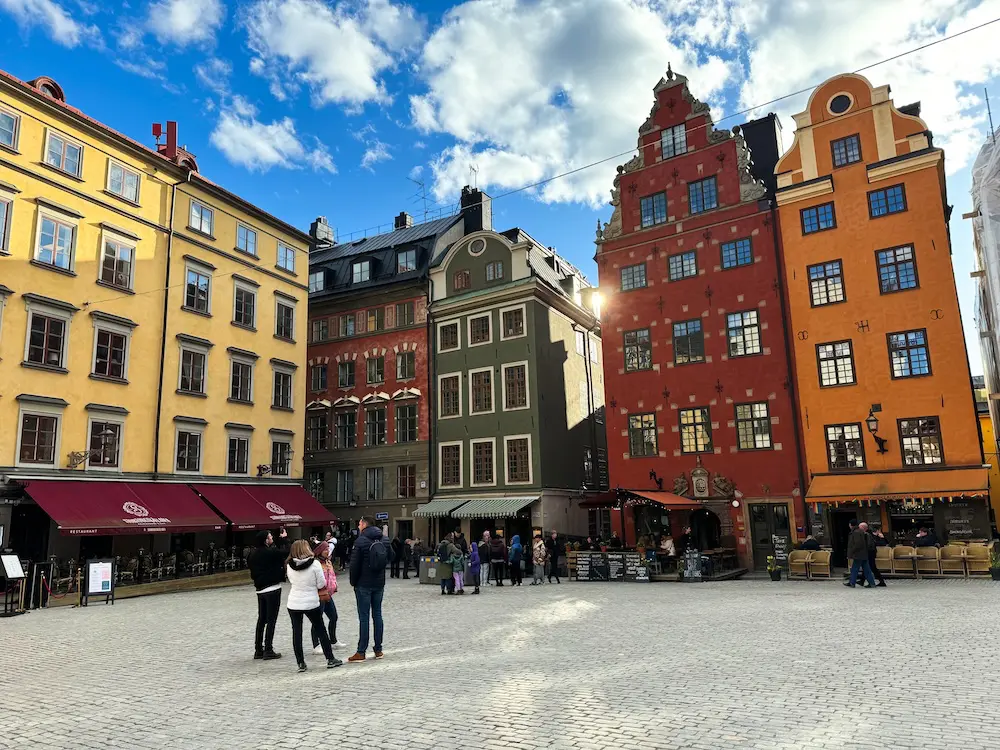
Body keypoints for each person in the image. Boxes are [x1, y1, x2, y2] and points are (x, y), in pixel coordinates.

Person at [285, 539, 342, 672]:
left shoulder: (289, 565)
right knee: (320, 629)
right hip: (311, 601)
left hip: (294, 602)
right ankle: (330, 659)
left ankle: (300, 662)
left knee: (296, 632)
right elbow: (321, 584)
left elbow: (292, 580)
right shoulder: (315, 564)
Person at [348, 516, 392, 663]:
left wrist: (353, 582)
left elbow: (354, 565)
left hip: (363, 584)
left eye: (359, 523)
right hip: (379, 583)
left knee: (364, 617)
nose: (358, 525)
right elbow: (392, 556)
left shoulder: (360, 541)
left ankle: (361, 651)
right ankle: (378, 649)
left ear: (364, 524)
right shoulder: (384, 539)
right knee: (378, 615)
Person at [248, 527, 288, 661]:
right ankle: (268, 649)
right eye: (270, 537)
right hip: (272, 588)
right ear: (266, 540)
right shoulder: (270, 553)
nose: (272, 538)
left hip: (260, 589)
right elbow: (284, 552)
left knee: (261, 620)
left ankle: (258, 649)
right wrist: (283, 539)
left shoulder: (252, 554)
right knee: (271, 620)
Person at [311, 542, 348, 652]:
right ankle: (316, 645)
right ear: (319, 551)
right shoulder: (315, 563)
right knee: (317, 619)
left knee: (333, 617)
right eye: (325, 549)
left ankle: (333, 641)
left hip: (328, 594)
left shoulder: (328, 561)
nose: (328, 550)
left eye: (328, 548)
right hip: (319, 595)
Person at [844, 520, 877, 588]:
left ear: (851, 525)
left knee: (854, 568)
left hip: (858, 554)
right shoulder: (861, 531)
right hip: (863, 553)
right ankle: (872, 583)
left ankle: (852, 582)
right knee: (867, 569)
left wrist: (852, 551)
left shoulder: (856, 532)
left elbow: (857, 544)